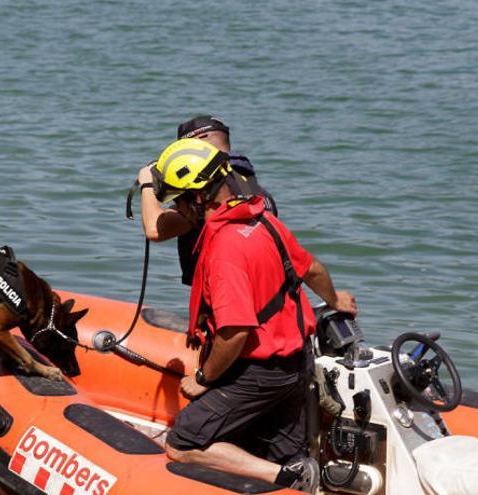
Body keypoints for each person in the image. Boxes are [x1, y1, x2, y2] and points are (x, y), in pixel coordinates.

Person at [141, 139, 357, 493]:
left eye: (179, 200)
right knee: (283, 451)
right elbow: (313, 268)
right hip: (295, 366)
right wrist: (336, 299)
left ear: (197, 199)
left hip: (258, 374)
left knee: (182, 443)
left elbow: (236, 333)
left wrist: (204, 378)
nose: (179, 209)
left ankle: (285, 479)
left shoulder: (225, 250)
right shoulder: (264, 221)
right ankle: (292, 472)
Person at [137, 115, 276, 286]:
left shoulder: (209, 197)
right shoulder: (253, 187)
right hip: (266, 289)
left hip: (226, 293)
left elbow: (154, 229)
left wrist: (147, 183)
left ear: (197, 144)